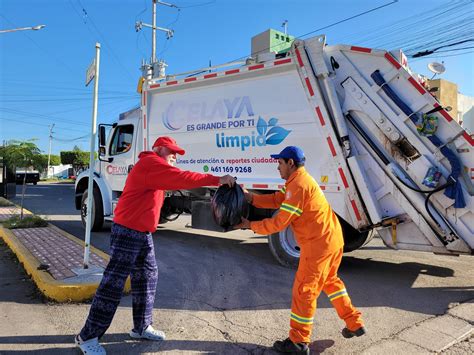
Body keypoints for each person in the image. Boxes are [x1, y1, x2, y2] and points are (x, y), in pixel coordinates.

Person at [75, 136, 236, 355]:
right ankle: (87, 337)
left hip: (141, 232)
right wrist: (217, 179)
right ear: (159, 149)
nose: (175, 157)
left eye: (177, 154)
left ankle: (141, 327)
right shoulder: (151, 163)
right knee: (114, 283)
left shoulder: (156, 166)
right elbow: (182, 177)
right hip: (127, 230)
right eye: (171, 152)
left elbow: (178, 178)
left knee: (147, 276)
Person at [235, 146, 365, 355]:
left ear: (290, 163)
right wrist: (252, 198)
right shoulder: (299, 182)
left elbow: (278, 223)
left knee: (304, 291)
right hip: (332, 240)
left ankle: (298, 342)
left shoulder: (298, 187)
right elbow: (278, 199)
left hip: (318, 245)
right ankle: (354, 322)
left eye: (279, 163)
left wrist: (249, 225)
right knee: (331, 282)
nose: (277, 167)